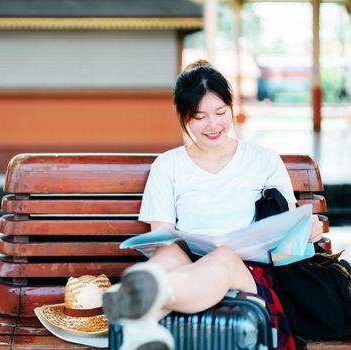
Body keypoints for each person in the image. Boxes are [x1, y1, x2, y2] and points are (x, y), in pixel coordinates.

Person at [102, 60, 323, 350]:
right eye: (200, 117)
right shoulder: (168, 166)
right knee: (166, 257)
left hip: (246, 272)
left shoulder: (263, 160)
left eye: (220, 112)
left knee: (224, 257)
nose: (213, 125)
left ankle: (134, 302)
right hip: (189, 264)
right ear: (184, 118)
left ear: (231, 107)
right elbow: (161, 237)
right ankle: (140, 327)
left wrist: (307, 229)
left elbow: (285, 226)